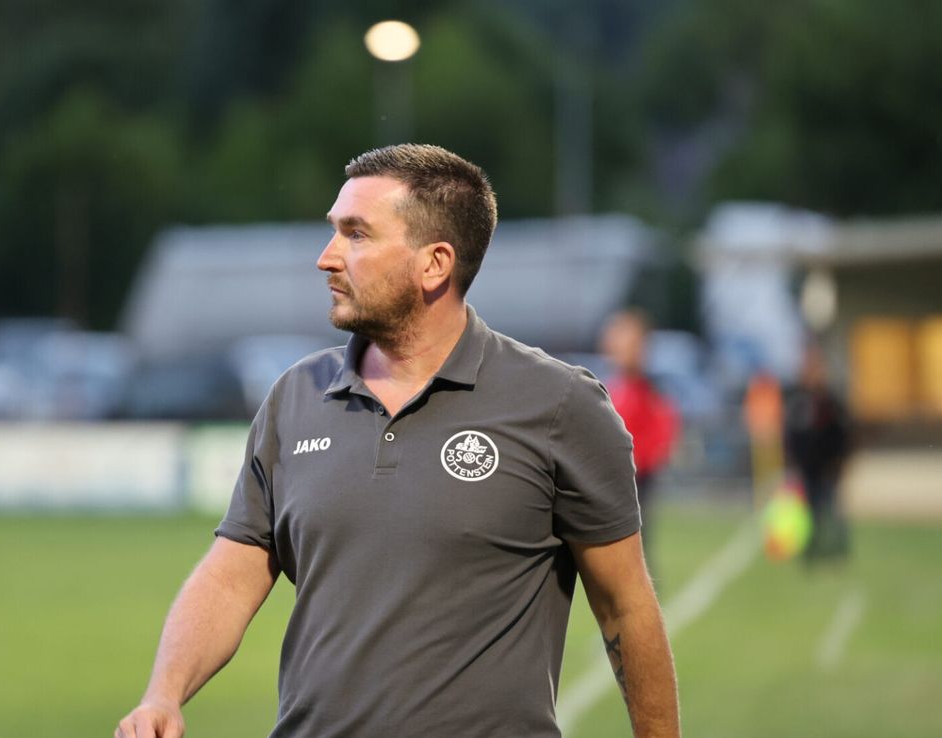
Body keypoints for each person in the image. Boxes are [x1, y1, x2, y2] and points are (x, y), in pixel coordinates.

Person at [115, 144, 679, 738]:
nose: (327, 258)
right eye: (334, 231)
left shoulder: (559, 404)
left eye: (356, 235)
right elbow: (230, 577)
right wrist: (164, 694)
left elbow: (625, 606)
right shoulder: (295, 399)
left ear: (434, 264)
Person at [598, 308, 680, 582]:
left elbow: (662, 432)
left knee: (633, 547)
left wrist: (644, 460)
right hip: (614, 478)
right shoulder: (612, 386)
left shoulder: (646, 391)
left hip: (634, 477)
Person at [782, 343, 852, 562]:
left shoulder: (831, 401)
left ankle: (836, 552)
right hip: (807, 466)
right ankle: (811, 551)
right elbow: (791, 433)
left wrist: (840, 461)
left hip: (828, 466)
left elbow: (843, 433)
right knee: (809, 512)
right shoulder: (798, 400)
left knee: (831, 510)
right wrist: (792, 461)